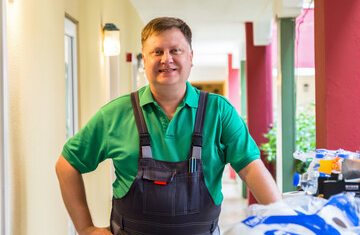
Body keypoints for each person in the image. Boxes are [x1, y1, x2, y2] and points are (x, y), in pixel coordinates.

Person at [55, 17, 281, 235]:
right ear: (144, 60)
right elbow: (67, 164)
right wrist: (85, 228)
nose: (167, 59)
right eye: (157, 52)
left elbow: (250, 167)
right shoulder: (115, 114)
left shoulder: (220, 112)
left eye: (175, 50)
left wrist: (283, 219)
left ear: (190, 57)